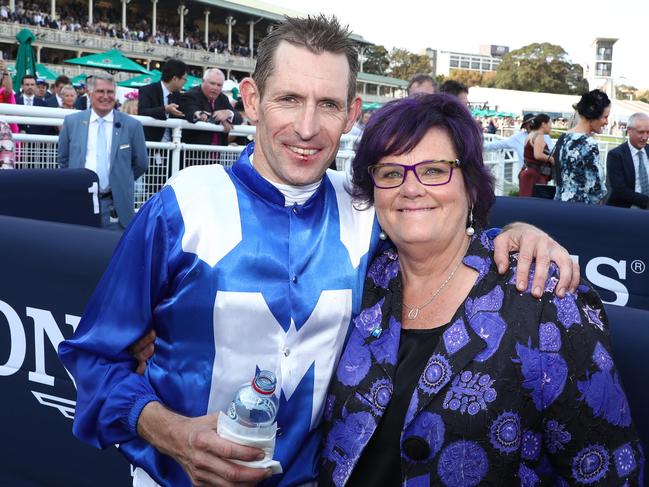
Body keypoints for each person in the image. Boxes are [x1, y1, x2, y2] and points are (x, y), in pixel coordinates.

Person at [59, 15, 578, 487]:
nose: (307, 128)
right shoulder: (180, 207)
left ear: (352, 113)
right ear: (252, 98)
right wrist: (172, 433)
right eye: (289, 99)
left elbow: (443, 240)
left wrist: (515, 235)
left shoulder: (369, 212)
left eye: (327, 104)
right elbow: (92, 357)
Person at [320, 94, 641, 487]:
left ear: (471, 184)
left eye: (434, 170)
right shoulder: (364, 280)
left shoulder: (543, 298)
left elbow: (608, 471)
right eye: (390, 173)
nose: (410, 188)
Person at [57, 72, 148, 229]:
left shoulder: (132, 126)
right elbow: (63, 159)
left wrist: (121, 179)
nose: (106, 96)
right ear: (89, 93)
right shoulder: (72, 122)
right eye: (100, 91)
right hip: (80, 201)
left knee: (114, 250)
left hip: (115, 207)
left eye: (110, 92)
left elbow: (140, 163)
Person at [554, 89, 610, 204]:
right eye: (605, 117)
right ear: (593, 115)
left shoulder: (563, 137)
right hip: (582, 209)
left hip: (560, 204)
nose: (606, 122)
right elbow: (595, 188)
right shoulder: (588, 143)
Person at [179, 67, 241, 147]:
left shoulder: (223, 98)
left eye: (219, 85)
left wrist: (228, 114)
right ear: (203, 81)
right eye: (212, 83)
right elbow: (195, 113)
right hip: (195, 151)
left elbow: (239, 117)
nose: (215, 88)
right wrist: (221, 120)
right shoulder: (191, 95)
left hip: (217, 153)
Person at [484, 114, 554, 176]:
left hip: (543, 173)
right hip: (528, 173)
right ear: (525, 126)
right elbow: (498, 144)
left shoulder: (545, 136)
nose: (531, 125)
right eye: (529, 123)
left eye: (532, 122)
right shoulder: (518, 137)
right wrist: (477, 145)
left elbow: (552, 151)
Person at [606, 112, 649, 209]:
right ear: (629, 130)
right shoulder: (615, 155)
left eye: (648, 132)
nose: (645, 137)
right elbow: (620, 190)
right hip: (626, 210)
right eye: (641, 132)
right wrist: (647, 203)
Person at [137, 58, 187, 142]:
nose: (185, 82)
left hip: (172, 148)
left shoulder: (178, 95)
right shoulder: (147, 90)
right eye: (184, 79)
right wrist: (165, 109)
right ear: (175, 78)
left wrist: (197, 114)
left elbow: (186, 111)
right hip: (151, 145)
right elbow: (142, 112)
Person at [519, 113, 554, 197]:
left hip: (527, 173)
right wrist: (551, 159)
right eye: (550, 124)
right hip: (535, 175)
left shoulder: (531, 135)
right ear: (543, 124)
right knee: (535, 204)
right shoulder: (539, 136)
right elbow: (538, 155)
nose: (551, 126)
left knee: (525, 203)